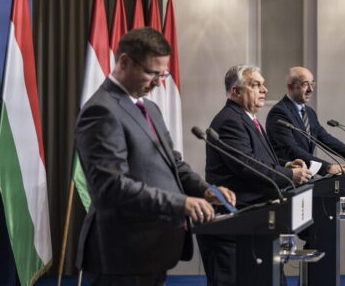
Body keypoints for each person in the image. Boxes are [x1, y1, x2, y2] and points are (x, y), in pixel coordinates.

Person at [74, 27, 235, 285]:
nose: (159, 82)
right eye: (152, 73)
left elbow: (173, 163)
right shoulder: (101, 111)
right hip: (120, 255)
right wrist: (182, 203)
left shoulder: (149, 108)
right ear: (124, 62)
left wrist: (206, 190)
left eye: (163, 74)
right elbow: (111, 187)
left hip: (150, 250)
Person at [197, 65, 313, 285]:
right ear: (236, 91)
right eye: (255, 85)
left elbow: (256, 159)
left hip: (256, 224)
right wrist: (289, 174)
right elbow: (247, 166)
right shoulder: (230, 121)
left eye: (263, 84)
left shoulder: (248, 118)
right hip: (236, 228)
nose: (264, 90)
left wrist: (285, 164)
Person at [265, 66, 345, 175]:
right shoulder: (279, 113)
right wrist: (327, 167)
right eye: (305, 84)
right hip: (288, 177)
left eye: (312, 83)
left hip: (306, 176)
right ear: (290, 87)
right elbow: (291, 149)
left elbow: (327, 140)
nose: (311, 89)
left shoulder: (309, 112)